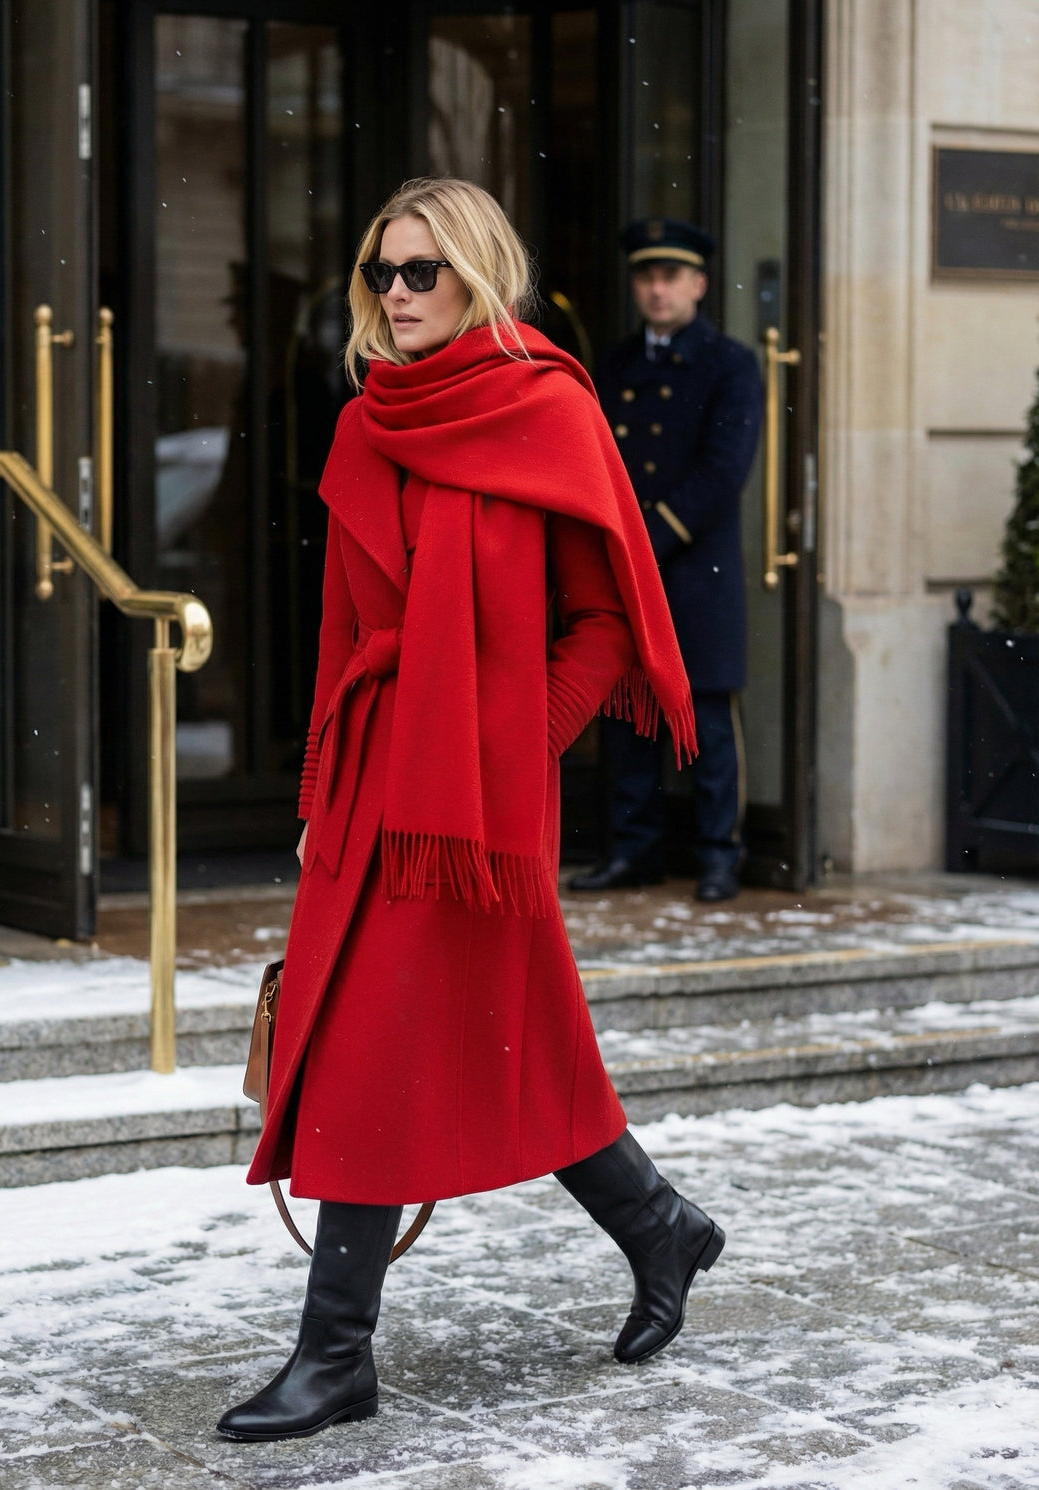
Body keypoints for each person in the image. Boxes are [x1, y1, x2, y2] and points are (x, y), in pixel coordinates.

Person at [216, 179, 724, 1445]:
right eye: (382, 271)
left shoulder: (545, 410)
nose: (396, 292)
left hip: (478, 796)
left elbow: (608, 624)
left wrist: (514, 748)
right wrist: (320, 795)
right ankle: (660, 1221)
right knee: (498, 1034)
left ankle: (335, 1355)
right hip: (376, 775)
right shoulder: (364, 424)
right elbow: (345, 638)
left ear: (478, 276)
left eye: (421, 272)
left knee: (369, 1051)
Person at [570, 218, 763, 903]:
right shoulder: (614, 366)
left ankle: (718, 856)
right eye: (647, 276)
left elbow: (723, 470)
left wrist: (649, 535)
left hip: (694, 572)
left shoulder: (732, 364)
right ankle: (635, 851)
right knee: (628, 717)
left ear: (699, 285)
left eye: (671, 276)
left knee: (707, 721)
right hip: (625, 568)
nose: (657, 289)